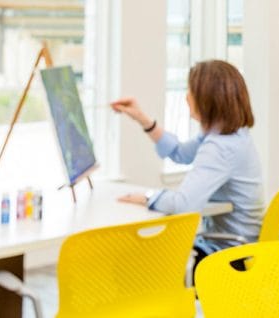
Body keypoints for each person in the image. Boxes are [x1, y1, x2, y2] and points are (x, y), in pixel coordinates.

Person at [111, 60, 263, 266]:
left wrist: (148, 197)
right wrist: (143, 119)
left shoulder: (220, 147)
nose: (186, 97)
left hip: (227, 256)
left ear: (208, 99)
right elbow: (180, 153)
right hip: (238, 245)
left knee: (136, 259)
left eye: (190, 91)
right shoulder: (228, 133)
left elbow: (183, 205)